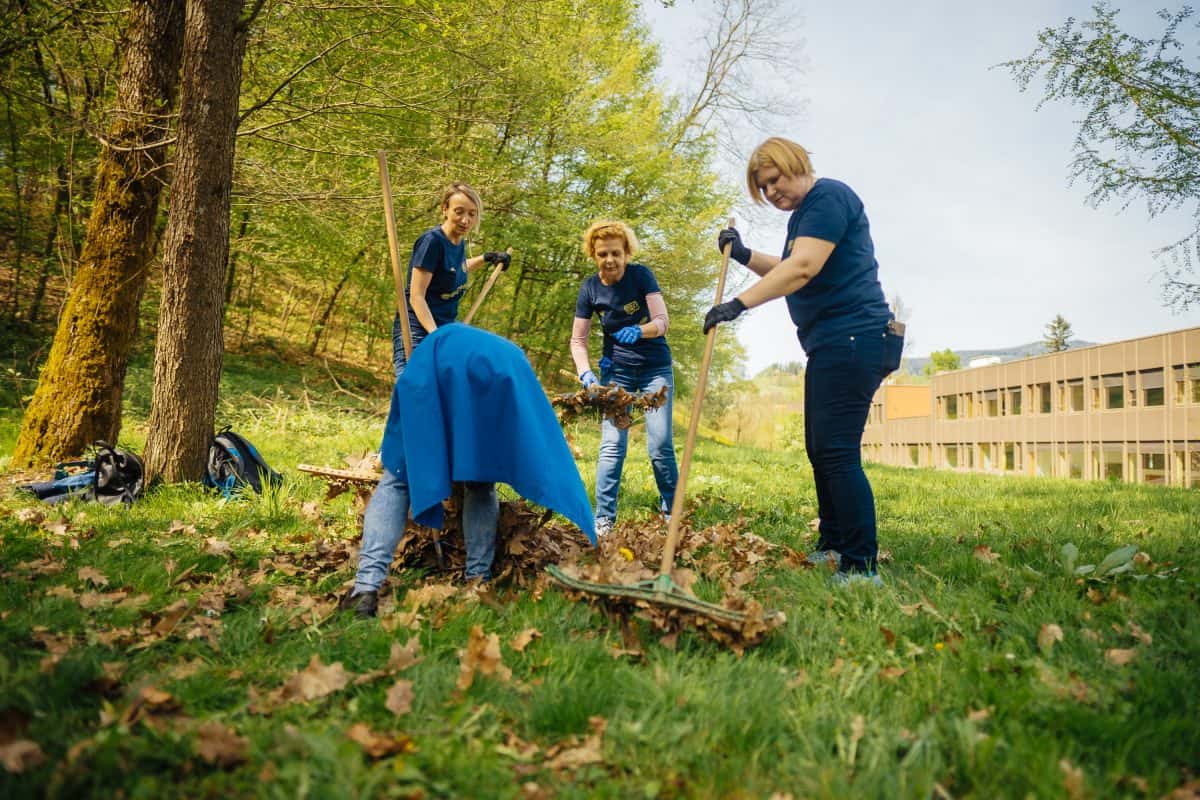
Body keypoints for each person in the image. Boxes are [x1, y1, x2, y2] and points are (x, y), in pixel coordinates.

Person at [702, 137, 904, 585]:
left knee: (837, 452)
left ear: (795, 164)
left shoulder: (828, 197)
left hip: (855, 337)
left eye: (775, 180)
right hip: (831, 342)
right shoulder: (805, 216)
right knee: (821, 449)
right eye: (763, 188)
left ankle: (860, 566)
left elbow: (802, 269)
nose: (771, 192)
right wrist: (743, 255)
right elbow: (789, 266)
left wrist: (736, 305)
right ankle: (834, 545)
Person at [346, 325, 597, 617]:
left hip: (438, 364)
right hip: (492, 370)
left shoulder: (441, 347)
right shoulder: (513, 359)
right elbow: (539, 433)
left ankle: (366, 588)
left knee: (398, 478)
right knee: (480, 478)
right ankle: (478, 580)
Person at [383, 182, 511, 599]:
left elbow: (456, 271)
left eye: (472, 214)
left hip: (445, 337)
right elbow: (417, 296)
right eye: (459, 211)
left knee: (456, 417)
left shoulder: (457, 245)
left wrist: (486, 259)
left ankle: (475, 568)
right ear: (444, 209)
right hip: (418, 337)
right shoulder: (431, 241)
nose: (465, 219)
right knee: (418, 421)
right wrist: (436, 337)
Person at [570, 220, 678, 537]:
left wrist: (640, 331)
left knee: (660, 444)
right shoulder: (590, 289)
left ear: (627, 253)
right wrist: (586, 372)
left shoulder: (641, 276)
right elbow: (578, 340)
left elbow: (662, 321)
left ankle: (672, 513)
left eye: (616, 253)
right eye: (602, 254)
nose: (610, 260)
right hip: (616, 372)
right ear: (593, 254)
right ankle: (604, 518)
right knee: (612, 446)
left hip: (654, 368)